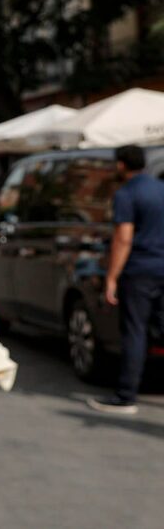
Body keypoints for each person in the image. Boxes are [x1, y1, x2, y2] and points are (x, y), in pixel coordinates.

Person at [89, 144, 164, 415]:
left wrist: (111, 278)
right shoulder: (160, 188)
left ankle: (126, 396)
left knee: (135, 331)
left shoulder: (126, 194)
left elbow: (123, 238)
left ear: (121, 165)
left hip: (139, 270)